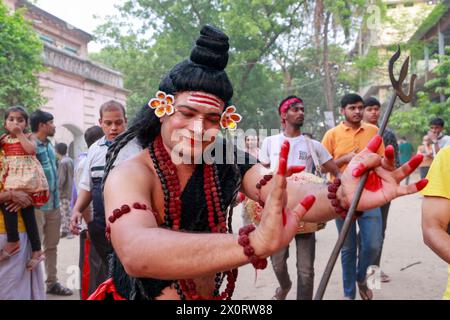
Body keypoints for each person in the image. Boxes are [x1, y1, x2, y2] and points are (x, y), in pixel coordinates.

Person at [88, 25, 426, 301]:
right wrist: (251, 243)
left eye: (211, 119)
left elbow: (286, 194)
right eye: (186, 113)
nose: (197, 128)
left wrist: (341, 194)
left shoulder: (225, 158)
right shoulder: (131, 171)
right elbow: (136, 251)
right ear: (162, 108)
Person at [259, 95, 339, 300]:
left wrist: (333, 192)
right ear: (283, 115)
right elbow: (260, 174)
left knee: (306, 269)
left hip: (307, 212)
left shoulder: (314, 146)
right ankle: (284, 287)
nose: (300, 112)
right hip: (279, 211)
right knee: (277, 262)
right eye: (295, 109)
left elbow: (336, 172)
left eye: (302, 109)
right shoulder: (270, 142)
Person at [70, 101, 140, 295]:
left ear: (126, 121)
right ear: (100, 122)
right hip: (101, 227)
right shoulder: (94, 150)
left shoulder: (139, 148)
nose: (114, 128)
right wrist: (76, 210)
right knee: (108, 275)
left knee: (132, 274)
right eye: (108, 123)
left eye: (118, 122)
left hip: (133, 226)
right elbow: (87, 187)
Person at [322, 93, 385, 300]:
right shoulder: (332, 134)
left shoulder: (375, 131)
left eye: (360, 107)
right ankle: (349, 295)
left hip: (370, 195)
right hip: (342, 199)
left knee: (373, 244)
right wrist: (346, 158)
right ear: (343, 110)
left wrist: (370, 161)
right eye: (352, 108)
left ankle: (362, 277)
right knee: (347, 248)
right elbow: (324, 166)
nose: (358, 111)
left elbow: (383, 161)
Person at [0, 106, 48, 270]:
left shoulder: (28, 137)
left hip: (27, 179)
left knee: (27, 211)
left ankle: (28, 246)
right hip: (12, 179)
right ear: (5, 123)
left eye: (20, 120)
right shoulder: (4, 140)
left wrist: (20, 134)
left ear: (26, 124)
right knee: (9, 204)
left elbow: (32, 150)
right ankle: (24, 245)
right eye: (11, 119)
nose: (15, 123)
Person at [30, 109, 73, 296]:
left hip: (54, 205)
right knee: (33, 248)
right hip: (37, 207)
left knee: (52, 246)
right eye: (51, 123)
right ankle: (32, 286)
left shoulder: (49, 145)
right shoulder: (30, 145)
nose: (54, 126)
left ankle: (52, 282)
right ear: (42, 125)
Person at [363, 97, 399, 283]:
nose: (374, 112)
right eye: (370, 109)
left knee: (378, 233)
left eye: (377, 109)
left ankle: (373, 271)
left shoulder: (388, 134)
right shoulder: (358, 133)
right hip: (359, 193)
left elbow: (396, 162)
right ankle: (362, 269)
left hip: (382, 190)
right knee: (361, 234)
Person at [69, 125, 104, 299]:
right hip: (91, 225)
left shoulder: (89, 158)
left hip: (94, 224)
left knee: (97, 268)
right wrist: (90, 225)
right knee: (93, 269)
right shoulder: (88, 160)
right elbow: (86, 194)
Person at [0, 181, 45, 300]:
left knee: (14, 291)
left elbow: (41, 191)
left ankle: (37, 250)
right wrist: (9, 195)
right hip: (12, 238)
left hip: (17, 238)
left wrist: (26, 196)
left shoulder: (23, 164)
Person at [420, 146, 450, 300]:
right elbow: (433, 228)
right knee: (370, 243)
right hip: (363, 198)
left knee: (374, 242)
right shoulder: (447, 156)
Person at [55, 142, 74, 239]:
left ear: (57, 151)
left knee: (65, 212)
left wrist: (56, 189)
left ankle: (69, 231)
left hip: (63, 192)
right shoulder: (70, 160)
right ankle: (66, 230)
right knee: (66, 211)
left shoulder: (62, 162)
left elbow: (61, 180)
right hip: (69, 189)